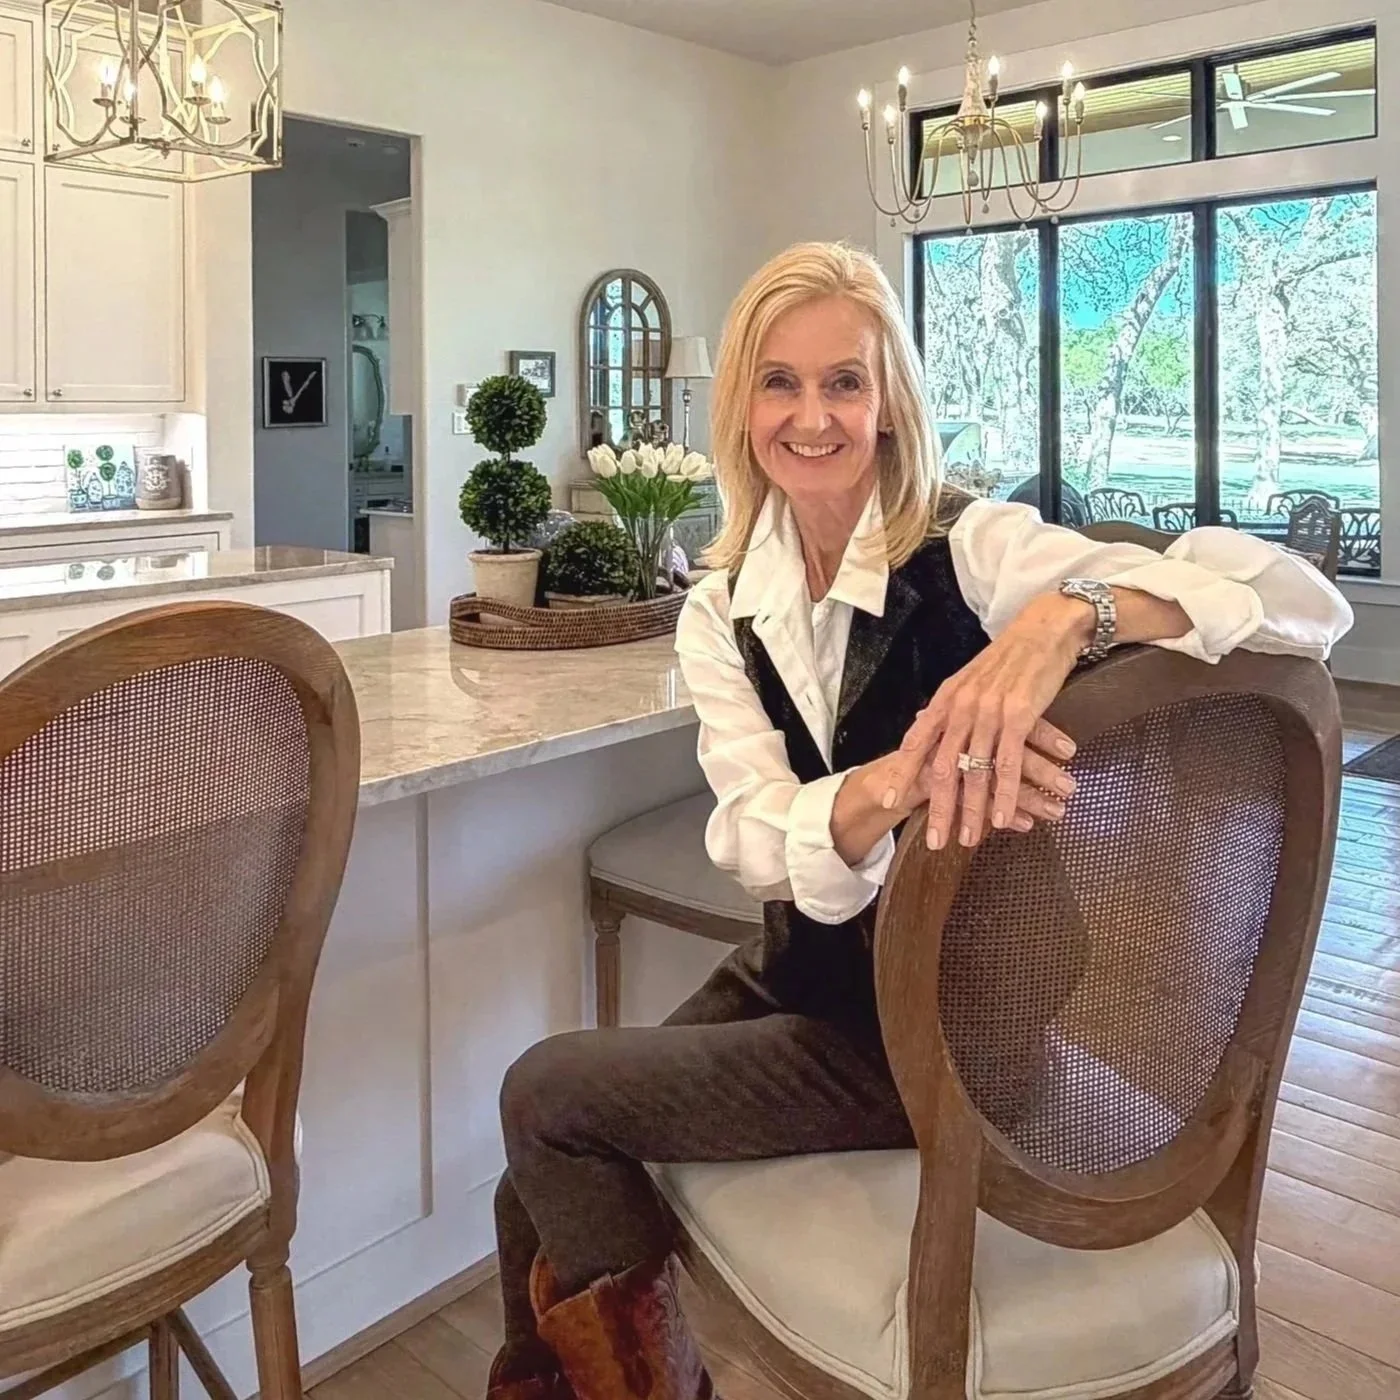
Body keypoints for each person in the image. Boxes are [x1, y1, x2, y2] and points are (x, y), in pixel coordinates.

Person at [487, 242, 1352, 1400]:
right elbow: (753, 836)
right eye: (778, 382)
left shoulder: (976, 549)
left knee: (545, 1093)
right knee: (528, 1179)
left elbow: (1302, 604)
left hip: (948, 1034)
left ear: (887, 398)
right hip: (809, 978)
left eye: (843, 380)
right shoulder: (720, 605)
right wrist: (900, 778)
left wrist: (1066, 619)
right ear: (740, 403)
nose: (812, 415)